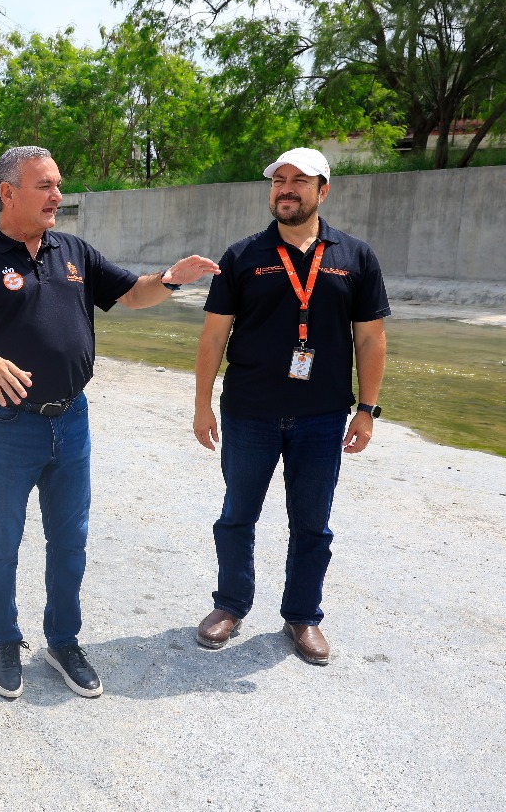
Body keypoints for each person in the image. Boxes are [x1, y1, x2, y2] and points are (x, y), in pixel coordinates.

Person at [0, 146, 220, 699]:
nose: (58, 196)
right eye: (45, 186)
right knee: (2, 539)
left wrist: (170, 278)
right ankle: (6, 643)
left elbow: (131, 293)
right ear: (8, 193)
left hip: (72, 421)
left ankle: (63, 642)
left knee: (69, 540)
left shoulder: (73, 250)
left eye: (59, 185)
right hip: (7, 425)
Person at [192, 147, 389, 665]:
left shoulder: (355, 257)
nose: (286, 189)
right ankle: (230, 604)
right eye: (279, 180)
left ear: (323, 190)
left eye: (300, 180)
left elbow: (370, 339)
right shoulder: (242, 256)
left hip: (322, 416)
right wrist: (202, 404)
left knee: (312, 524)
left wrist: (367, 409)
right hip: (248, 412)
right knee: (237, 515)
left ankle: (303, 615)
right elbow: (213, 337)